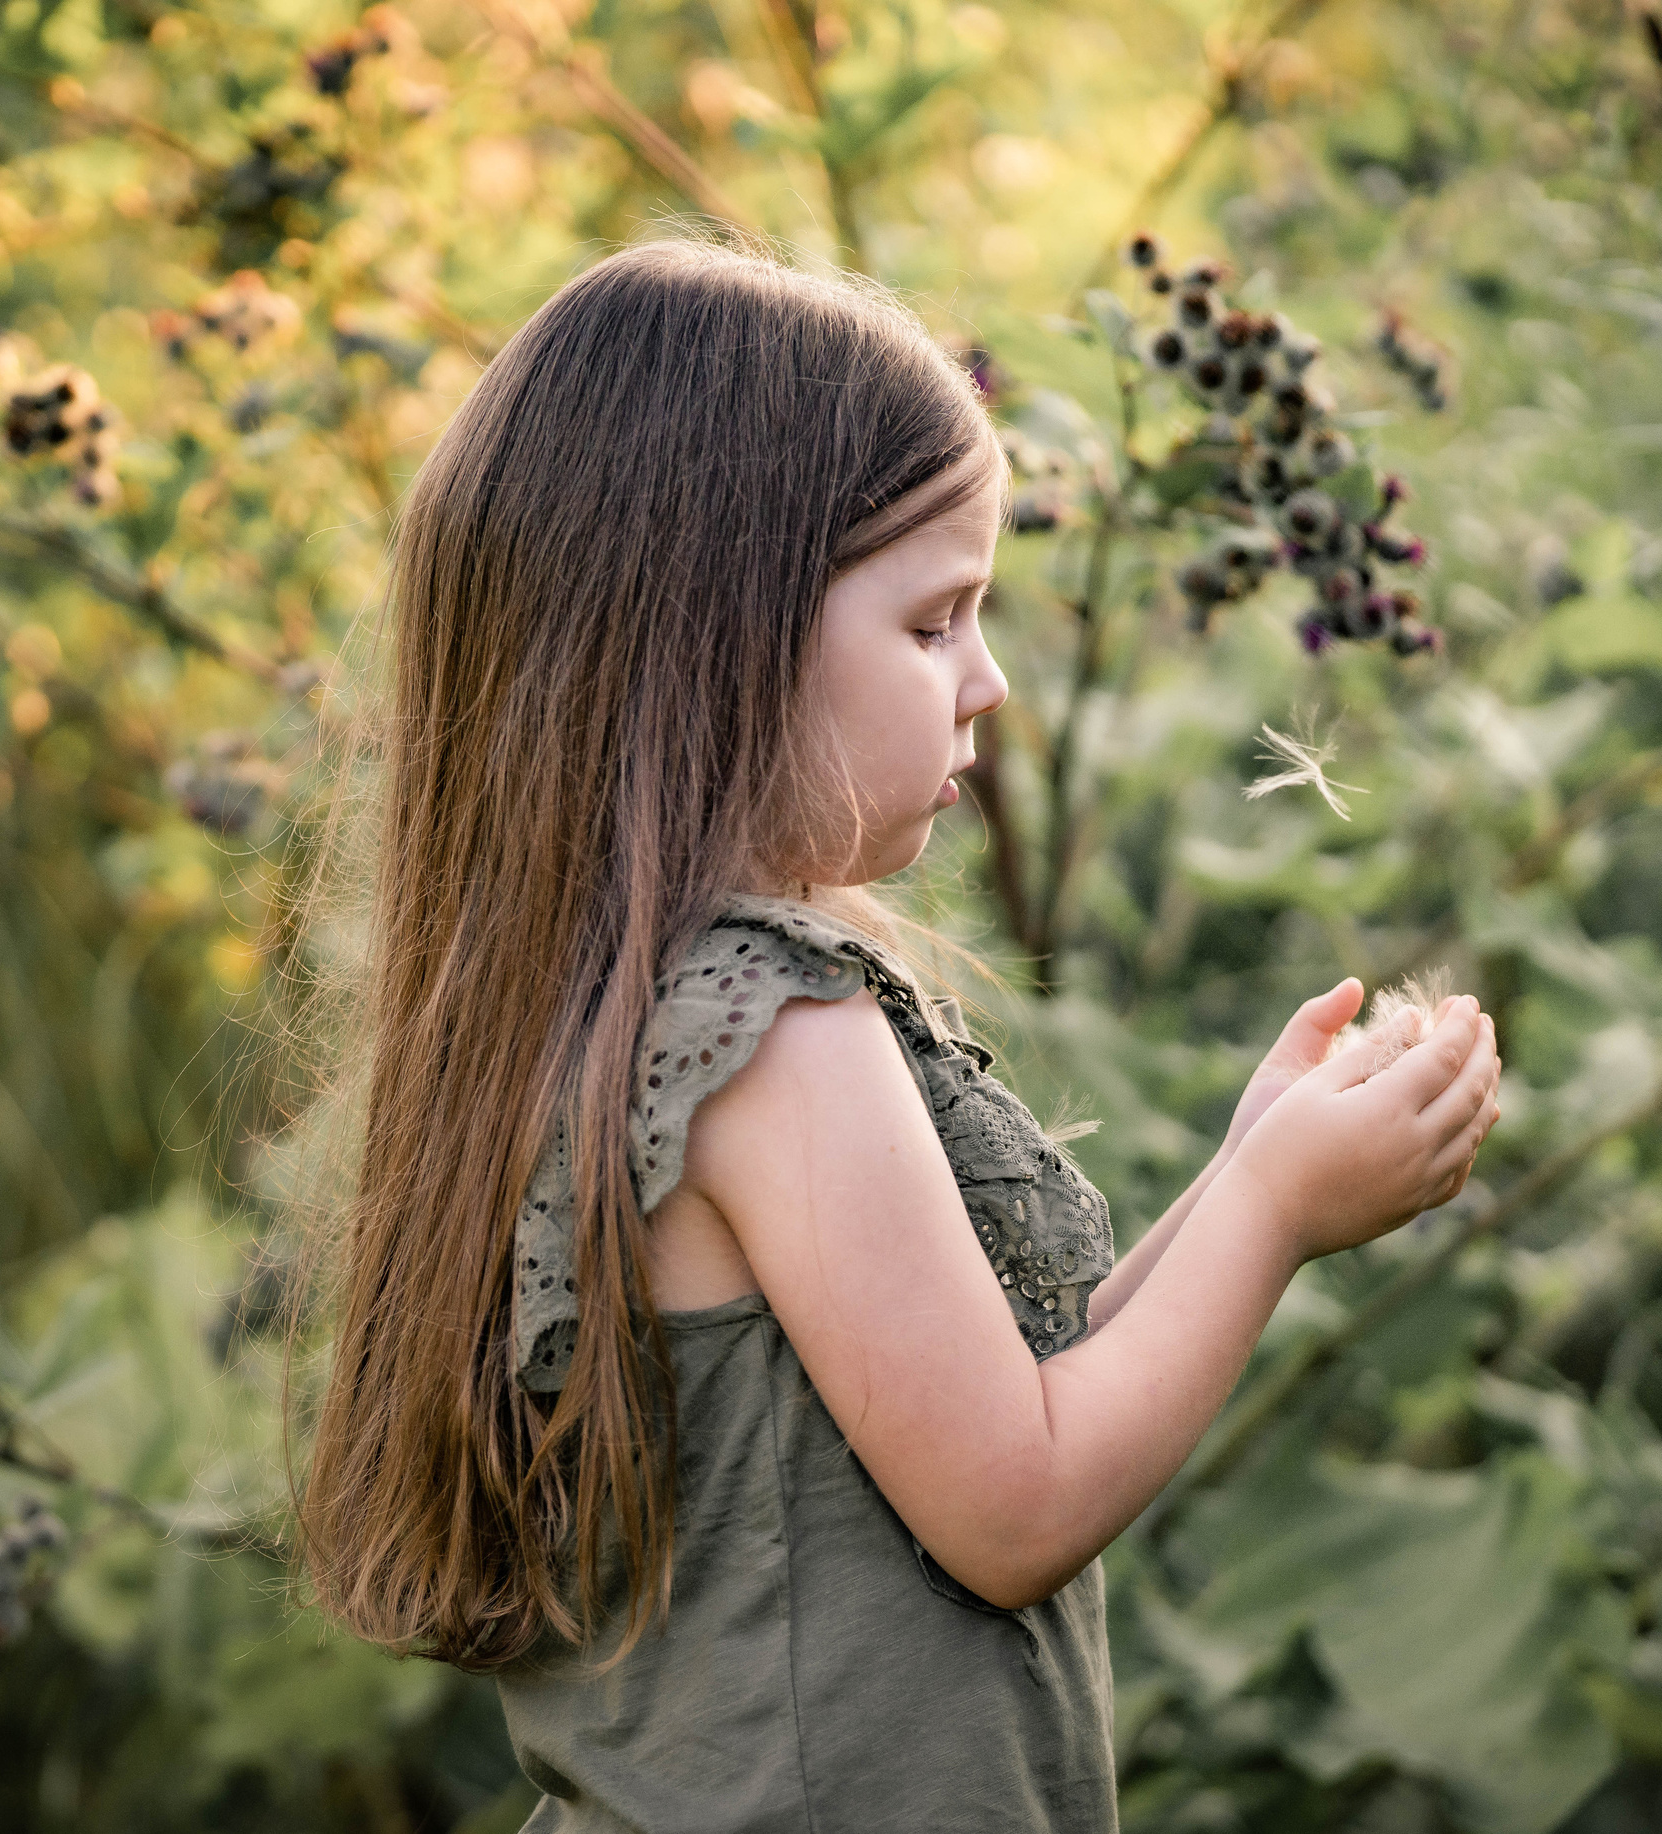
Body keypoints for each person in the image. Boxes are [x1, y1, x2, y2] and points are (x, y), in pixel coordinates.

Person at [294, 234, 1503, 1834]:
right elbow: (1017, 1504)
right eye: (935, 622)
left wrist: (1246, 1168)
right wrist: (1279, 1215)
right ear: (709, 638)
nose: (987, 682)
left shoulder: (613, 999)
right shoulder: (775, 1031)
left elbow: (1002, 1401)